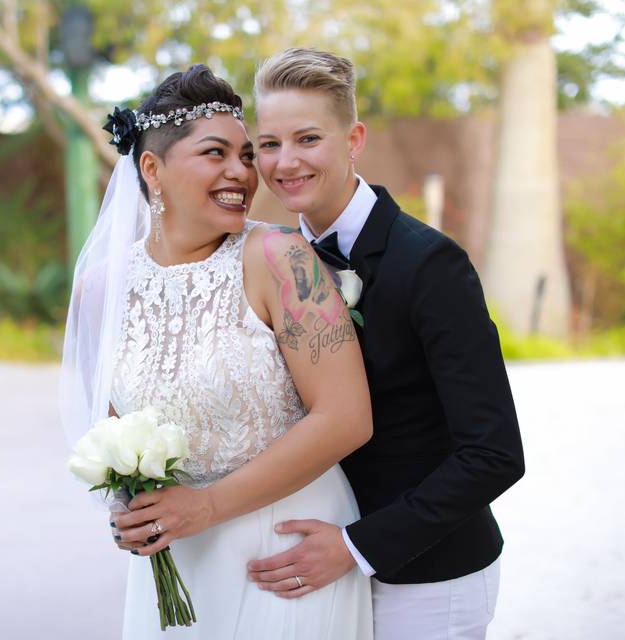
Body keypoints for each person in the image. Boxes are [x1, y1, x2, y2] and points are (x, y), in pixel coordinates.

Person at [120, 48, 526, 639]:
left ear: (354, 139)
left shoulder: (430, 264)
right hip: (302, 559)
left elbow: (494, 453)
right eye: (269, 144)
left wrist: (357, 548)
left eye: (308, 139)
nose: (285, 163)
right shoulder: (268, 257)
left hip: (423, 571)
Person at [61, 65, 374, 639]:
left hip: (289, 552)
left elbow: (347, 417)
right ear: (151, 169)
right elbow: (110, 429)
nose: (242, 172)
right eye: (215, 154)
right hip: (181, 556)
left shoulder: (281, 259)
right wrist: (128, 510)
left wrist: (205, 507)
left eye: (247, 155)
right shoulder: (101, 288)